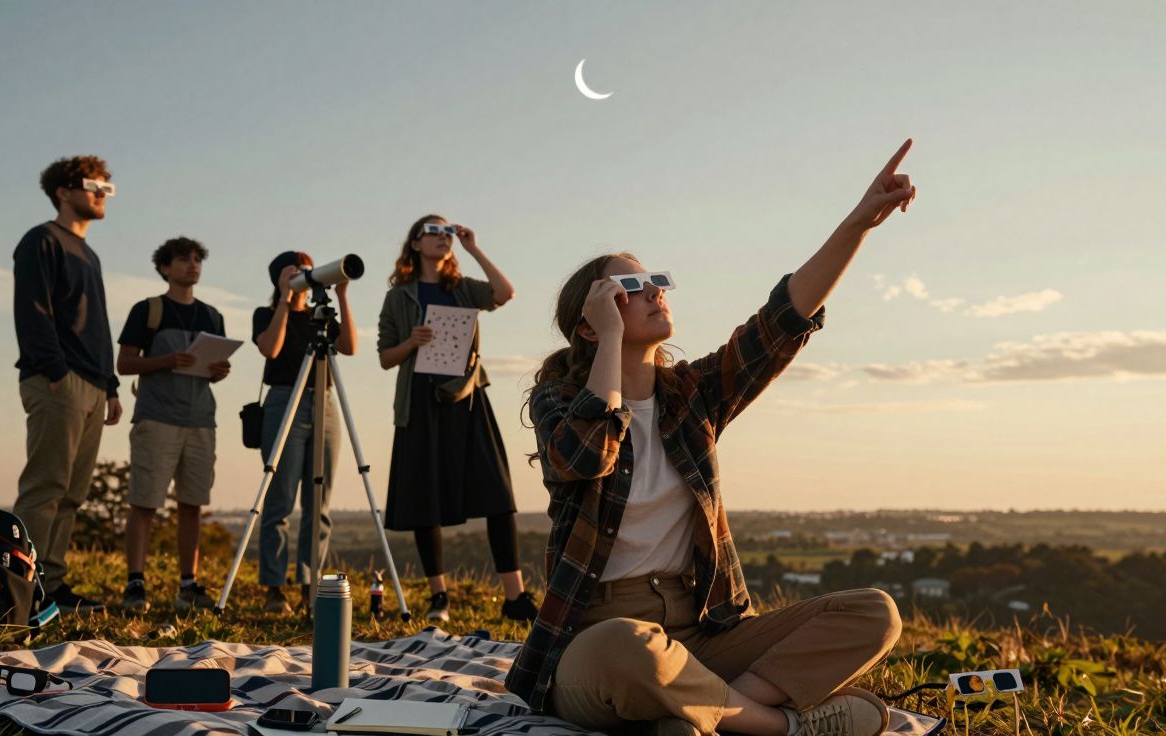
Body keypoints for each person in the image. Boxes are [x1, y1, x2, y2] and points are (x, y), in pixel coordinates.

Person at [505, 141, 920, 736]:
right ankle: (780, 728)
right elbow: (584, 456)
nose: (654, 291)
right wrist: (606, 344)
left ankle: (706, 716)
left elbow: (780, 322)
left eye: (657, 281)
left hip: (704, 631)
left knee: (872, 612)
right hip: (597, 639)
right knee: (633, 649)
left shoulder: (691, 395)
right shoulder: (560, 401)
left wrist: (859, 221)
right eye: (632, 286)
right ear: (591, 324)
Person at [377, 215, 537, 624]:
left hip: (467, 398)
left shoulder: (461, 288)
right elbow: (383, 357)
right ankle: (439, 597)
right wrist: (410, 342)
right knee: (424, 500)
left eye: (448, 232)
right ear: (414, 243)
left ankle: (515, 598)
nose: (443, 237)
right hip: (419, 401)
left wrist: (473, 248)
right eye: (434, 231)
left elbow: (505, 292)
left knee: (498, 494)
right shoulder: (398, 297)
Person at [12, 155, 123, 614]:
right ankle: (20, 588)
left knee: (74, 493)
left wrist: (111, 386)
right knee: (46, 486)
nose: (102, 193)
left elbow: (94, 323)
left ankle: (52, 586)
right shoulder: (41, 240)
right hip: (57, 380)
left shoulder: (91, 254)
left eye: (108, 187)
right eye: (94, 184)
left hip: (94, 386)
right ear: (64, 191)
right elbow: (33, 310)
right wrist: (55, 371)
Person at [116, 237, 230, 614]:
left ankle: (188, 584)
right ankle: (135, 582)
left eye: (198, 259)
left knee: (192, 504)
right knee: (145, 501)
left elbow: (212, 372)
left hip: (201, 419)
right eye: (184, 260)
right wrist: (164, 360)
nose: (193, 265)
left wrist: (219, 371)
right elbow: (125, 364)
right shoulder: (146, 310)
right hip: (157, 417)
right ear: (165, 268)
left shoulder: (212, 316)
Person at [253, 251, 356, 613]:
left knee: (319, 503)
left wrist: (341, 296)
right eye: (293, 270)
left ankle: (310, 585)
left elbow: (350, 347)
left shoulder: (320, 317)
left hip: (324, 399)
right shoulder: (266, 315)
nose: (303, 274)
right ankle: (274, 587)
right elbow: (271, 348)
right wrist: (286, 298)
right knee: (279, 499)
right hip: (285, 401)